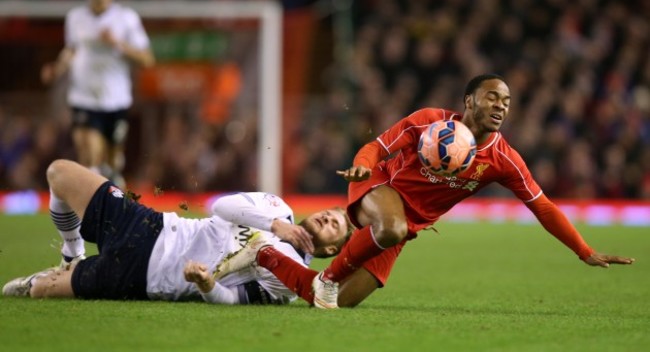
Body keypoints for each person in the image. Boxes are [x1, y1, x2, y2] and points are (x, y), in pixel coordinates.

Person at [214, 73, 635, 309]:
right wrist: (363, 162)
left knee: (335, 302)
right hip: (379, 185)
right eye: (493, 97)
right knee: (390, 228)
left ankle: (265, 255)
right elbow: (377, 147)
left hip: (408, 223)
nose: (502, 105)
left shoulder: (504, 159)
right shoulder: (428, 121)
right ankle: (327, 275)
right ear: (469, 100)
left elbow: (542, 206)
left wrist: (583, 250)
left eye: (507, 100)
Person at [2, 159, 353, 304]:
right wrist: (275, 224)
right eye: (331, 213)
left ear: (328, 251)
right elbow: (220, 207)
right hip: (150, 224)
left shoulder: (290, 276)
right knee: (59, 173)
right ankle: (71, 252)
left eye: (336, 225)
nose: (328, 218)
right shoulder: (277, 207)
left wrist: (206, 284)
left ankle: (52, 277)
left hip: (144, 276)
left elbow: (234, 301)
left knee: (38, 291)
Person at [41, 0, 155, 187]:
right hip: (83, 97)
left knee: (112, 162)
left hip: (115, 99)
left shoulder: (126, 18)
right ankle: (92, 206)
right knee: (90, 155)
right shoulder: (75, 18)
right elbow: (72, 49)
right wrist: (57, 69)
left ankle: (110, 187)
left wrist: (117, 43)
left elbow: (147, 59)